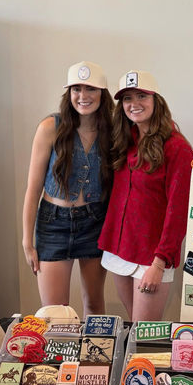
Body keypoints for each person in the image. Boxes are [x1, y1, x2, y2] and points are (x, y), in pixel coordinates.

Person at [98, 70, 193, 321]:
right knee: (133, 330)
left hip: (152, 257)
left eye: (142, 96)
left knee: (145, 336)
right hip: (120, 248)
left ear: (156, 101)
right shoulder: (124, 140)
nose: (134, 104)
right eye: (127, 98)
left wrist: (159, 263)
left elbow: (178, 210)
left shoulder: (177, 147)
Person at [22, 61, 114, 316]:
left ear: (102, 94)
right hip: (53, 224)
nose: (83, 97)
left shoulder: (113, 131)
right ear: (69, 93)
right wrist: (27, 241)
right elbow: (33, 190)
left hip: (95, 222)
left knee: (94, 306)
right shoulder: (50, 128)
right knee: (54, 312)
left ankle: (94, 357)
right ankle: (61, 358)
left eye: (90, 89)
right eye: (76, 89)